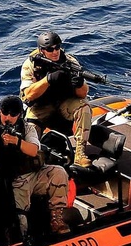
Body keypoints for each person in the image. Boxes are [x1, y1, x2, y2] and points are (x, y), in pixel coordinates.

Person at [0, 96, 71, 238]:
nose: (8, 118)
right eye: (5, 113)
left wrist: (16, 142)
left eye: (13, 114)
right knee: (20, 220)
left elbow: (34, 150)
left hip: (33, 175)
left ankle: (56, 219)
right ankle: (21, 240)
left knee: (58, 172)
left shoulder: (27, 128)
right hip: (14, 181)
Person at [19, 30, 93, 166]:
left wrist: (80, 83)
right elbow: (28, 95)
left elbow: (83, 94)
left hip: (63, 103)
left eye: (57, 47)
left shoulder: (69, 62)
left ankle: (80, 154)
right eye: (50, 49)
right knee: (29, 140)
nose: (55, 52)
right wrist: (48, 79)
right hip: (40, 108)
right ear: (41, 50)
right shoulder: (30, 65)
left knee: (84, 106)